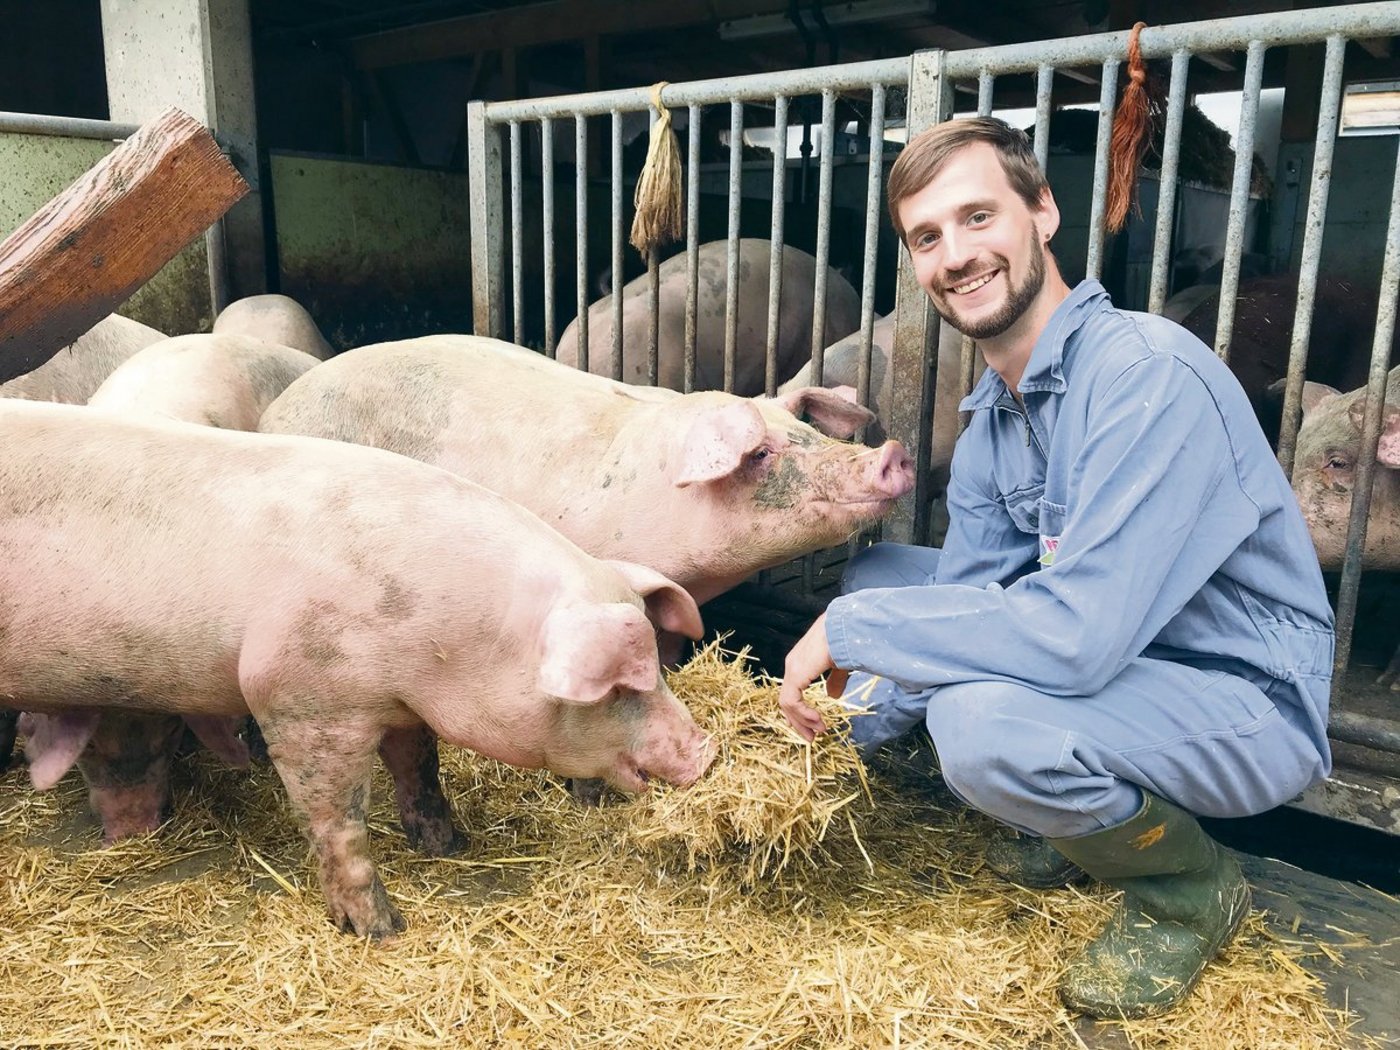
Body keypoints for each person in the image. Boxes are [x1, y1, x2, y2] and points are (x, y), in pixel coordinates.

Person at [777, 117, 1334, 1020]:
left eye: (977, 218)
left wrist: (852, 638)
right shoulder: (997, 411)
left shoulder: (1146, 376)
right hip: (1129, 666)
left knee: (982, 725)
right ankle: (1076, 820)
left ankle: (1188, 892)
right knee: (881, 577)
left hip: (1240, 693)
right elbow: (967, 592)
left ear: (1042, 211)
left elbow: (1076, 638)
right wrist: (853, 734)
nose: (956, 255)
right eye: (927, 237)